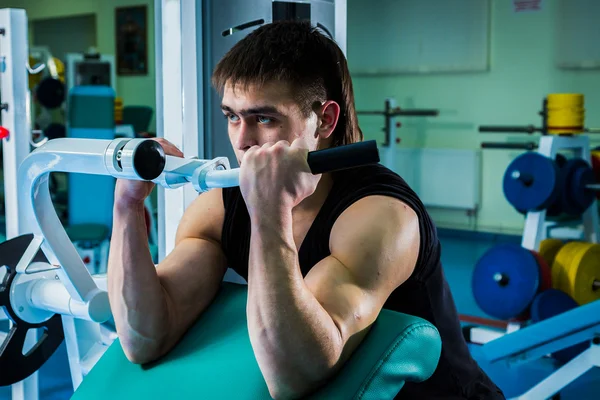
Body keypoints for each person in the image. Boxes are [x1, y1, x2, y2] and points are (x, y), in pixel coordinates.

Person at [107, 21, 505, 399]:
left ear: (325, 120)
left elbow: (292, 375)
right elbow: (145, 339)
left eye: (264, 118)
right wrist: (127, 206)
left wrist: (269, 210)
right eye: (232, 117)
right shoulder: (219, 210)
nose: (243, 142)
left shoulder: (382, 216)